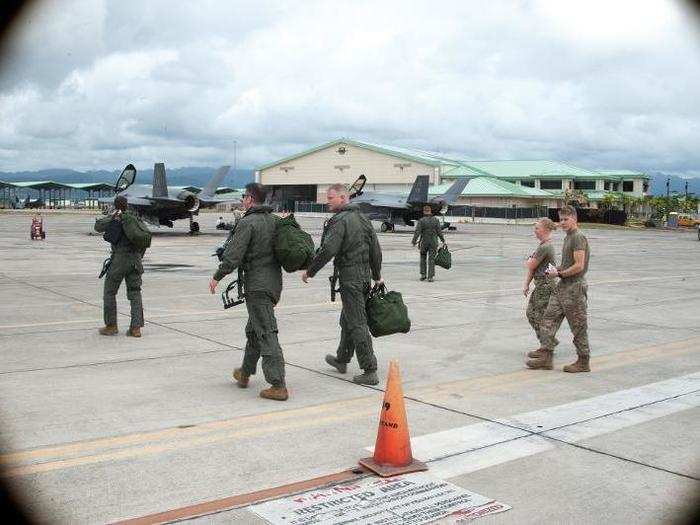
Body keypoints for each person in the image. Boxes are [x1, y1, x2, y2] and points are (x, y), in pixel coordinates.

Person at [209, 183, 288, 401]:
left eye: (244, 196)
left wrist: (217, 276)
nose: (243, 199)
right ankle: (245, 373)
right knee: (254, 330)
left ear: (251, 199)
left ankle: (278, 384)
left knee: (265, 332)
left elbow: (233, 256)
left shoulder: (248, 222)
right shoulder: (275, 221)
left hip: (257, 287)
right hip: (273, 285)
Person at [301, 183, 383, 385]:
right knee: (347, 321)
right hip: (363, 278)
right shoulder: (363, 219)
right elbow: (376, 250)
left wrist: (310, 271)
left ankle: (369, 369)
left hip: (351, 279)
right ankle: (342, 360)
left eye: (330, 198)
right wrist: (376, 275)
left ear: (343, 198)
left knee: (356, 323)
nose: (327, 201)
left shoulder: (341, 221)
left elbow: (328, 249)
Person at [527, 205, 591, 372]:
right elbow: (568, 264)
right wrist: (557, 270)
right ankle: (546, 357)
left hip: (574, 287)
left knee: (578, 326)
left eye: (566, 219)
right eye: (560, 219)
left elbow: (579, 266)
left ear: (574, 219)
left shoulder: (578, 237)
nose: (562, 223)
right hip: (562, 287)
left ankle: (583, 361)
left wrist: (560, 274)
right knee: (547, 321)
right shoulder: (568, 237)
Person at [94, 196, 145, 337]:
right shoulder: (135, 219)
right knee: (135, 293)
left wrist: (112, 216)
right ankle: (136, 328)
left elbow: (98, 226)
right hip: (135, 261)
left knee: (109, 292)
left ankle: (111, 326)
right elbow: (144, 237)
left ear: (116, 205)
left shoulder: (116, 217)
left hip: (119, 261)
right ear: (127, 205)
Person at [523, 218, 558, 360]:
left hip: (545, 285)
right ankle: (548, 342)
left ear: (546, 229)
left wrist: (529, 260)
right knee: (531, 314)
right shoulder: (542, 245)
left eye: (537, 228)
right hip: (540, 285)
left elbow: (531, 264)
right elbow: (532, 267)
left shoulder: (545, 247)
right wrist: (526, 284)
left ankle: (547, 345)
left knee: (539, 317)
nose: (535, 231)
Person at [411, 205, 445, 282]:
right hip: (433, 242)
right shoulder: (436, 220)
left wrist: (414, 241)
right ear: (430, 211)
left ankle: (423, 275)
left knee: (423, 258)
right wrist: (443, 240)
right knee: (432, 259)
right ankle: (430, 277)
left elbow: (417, 232)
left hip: (424, 242)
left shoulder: (421, 220)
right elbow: (439, 232)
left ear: (424, 211)